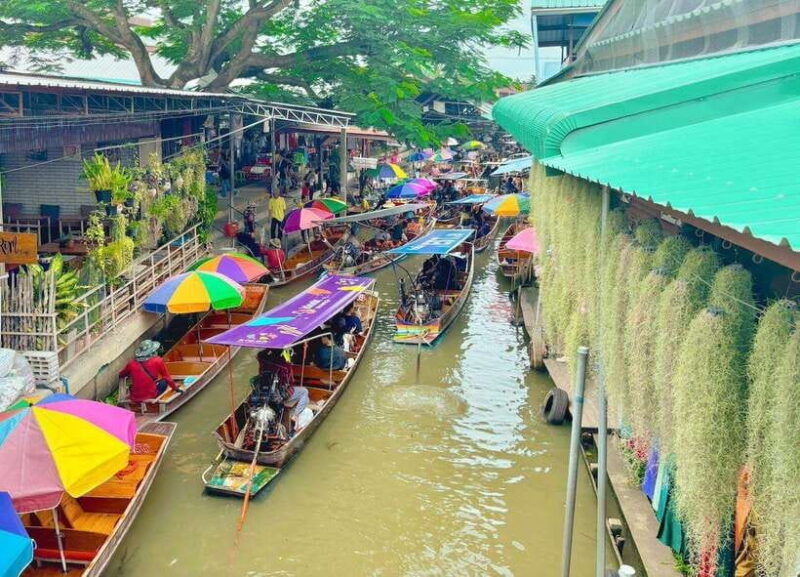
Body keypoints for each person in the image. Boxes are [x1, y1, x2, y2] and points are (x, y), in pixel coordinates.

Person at [256, 349, 309, 427]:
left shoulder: (263, 363)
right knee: (304, 391)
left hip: (264, 392)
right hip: (279, 395)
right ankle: (295, 415)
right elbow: (290, 381)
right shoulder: (284, 366)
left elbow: (259, 355)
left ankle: (293, 415)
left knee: (305, 398)